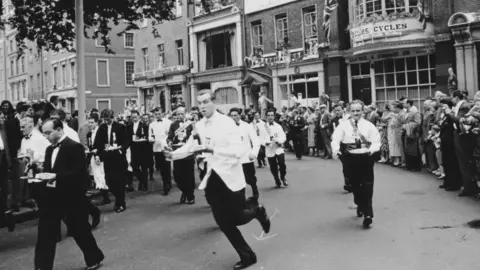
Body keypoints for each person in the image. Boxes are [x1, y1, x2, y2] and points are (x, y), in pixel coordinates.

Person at [166, 89, 271, 270]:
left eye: (206, 102)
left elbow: (238, 152)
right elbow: (191, 146)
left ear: (214, 102)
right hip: (213, 178)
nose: (202, 106)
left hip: (231, 177)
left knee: (237, 217)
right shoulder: (199, 125)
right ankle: (248, 256)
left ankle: (257, 211)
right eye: (200, 103)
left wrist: (213, 150)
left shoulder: (227, 123)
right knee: (223, 221)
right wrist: (172, 155)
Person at [35, 119, 104, 270]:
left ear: (59, 130)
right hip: (51, 197)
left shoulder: (74, 147)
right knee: (45, 233)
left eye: (48, 133)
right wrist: (40, 174)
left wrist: (56, 177)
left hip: (71, 197)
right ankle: (42, 266)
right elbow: (48, 170)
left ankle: (94, 257)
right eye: (44, 133)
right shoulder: (49, 150)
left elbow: (78, 173)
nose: (46, 136)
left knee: (80, 230)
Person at [331, 100, 381, 228]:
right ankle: (359, 203)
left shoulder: (369, 125)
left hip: (365, 156)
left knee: (368, 185)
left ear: (363, 111)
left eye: (358, 110)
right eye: (353, 111)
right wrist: (336, 150)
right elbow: (335, 139)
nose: (355, 113)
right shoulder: (343, 126)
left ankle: (368, 214)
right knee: (354, 184)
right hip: (350, 157)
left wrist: (372, 150)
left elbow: (376, 141)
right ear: (349, 111)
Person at [229, 107, 261, 199]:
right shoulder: (227, 128)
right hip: (234, 159)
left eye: (235, 115)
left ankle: (255, 189)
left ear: (240, 115)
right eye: (231, 116)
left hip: (246, 158)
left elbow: (255, 141)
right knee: (237, 180)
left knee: (250, 178)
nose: (233, 117)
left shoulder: (247, 126)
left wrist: (253, 153)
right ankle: (240, 199)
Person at [168, 106, 196, 204]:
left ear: (186, 114)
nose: (180, 116)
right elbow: (170, 137)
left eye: (182, 114)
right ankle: (184, 191)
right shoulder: (173, 125)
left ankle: (190, 196)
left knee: (189, 176)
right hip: (177, 153)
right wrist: (170, 142)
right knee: (177, 176)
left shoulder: (190, 124)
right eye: (178, 114)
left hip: (188, 154)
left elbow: (195, 137)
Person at [264, 109, 288, 188]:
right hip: (270, 149)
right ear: (266, 116)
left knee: (282, 164)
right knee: (273, 166)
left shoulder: (278, 126)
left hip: (278, 148)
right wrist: (266, 142)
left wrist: (280, 141)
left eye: (272, 115)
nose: (270, 117)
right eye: (269, 115)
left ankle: (283, 177)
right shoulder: (263, 127)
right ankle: (276, 179)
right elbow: (260, 138)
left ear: (274, 116)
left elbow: (283, 136)